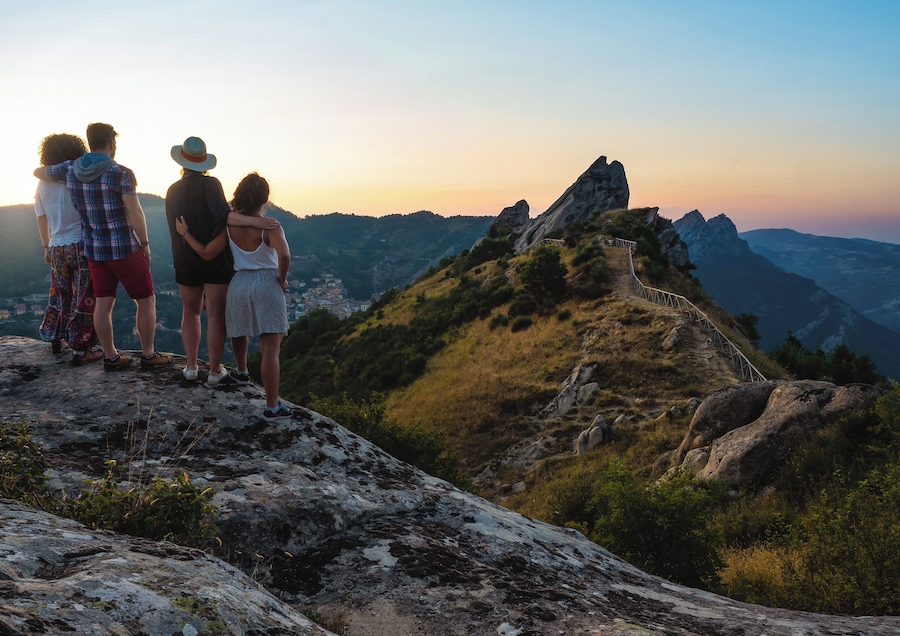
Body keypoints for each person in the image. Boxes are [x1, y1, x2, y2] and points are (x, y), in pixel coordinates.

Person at [34, 123, 173, 371]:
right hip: (123, 248)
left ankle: (110, 355)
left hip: (94, 251)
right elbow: (135, 212)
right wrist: (145, 243)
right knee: (146, 300)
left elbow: (39, 171)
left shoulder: (68, 170)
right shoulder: (120, 173)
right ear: (111, 143)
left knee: (103, 303)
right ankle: (149, 355)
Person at [175, 173, 292, 418]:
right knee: (270, 348)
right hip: (266, 281)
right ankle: (272, 406)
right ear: (265, 198)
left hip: (238, 281)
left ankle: (241, 371)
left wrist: (185, 235)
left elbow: (208, 252)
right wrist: (282, 279)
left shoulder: (230, 226)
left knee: (239, 331)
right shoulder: (271, 226)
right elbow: (284, 255)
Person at [164, 136, 278, 383]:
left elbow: (175, 230)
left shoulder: (172, 191)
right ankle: (215, 371)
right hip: (215, 261)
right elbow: (223, 218)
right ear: (204, 163)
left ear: (182, 163)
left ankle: (192, 367)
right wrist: (255, 222)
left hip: (185, 259)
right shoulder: (212, 185)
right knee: (215, 315)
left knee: (190, 312)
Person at [34, 133, 101, 364]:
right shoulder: (77, 177)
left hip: (57, 246)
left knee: (60, 294)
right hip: (81, 244)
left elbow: (41, 218)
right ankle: (81, 349)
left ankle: (55, 338)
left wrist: (46, 246)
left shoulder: (42, 183)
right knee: (84, 296)